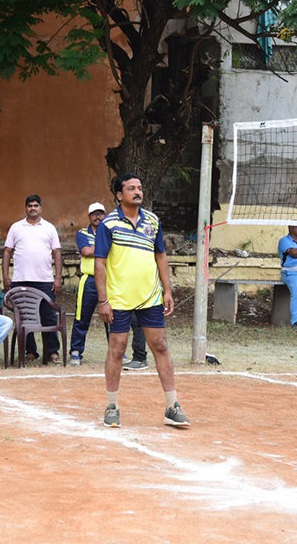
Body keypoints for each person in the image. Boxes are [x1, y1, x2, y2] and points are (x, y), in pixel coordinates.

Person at [95, 173, 190, 429]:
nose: (138, 192)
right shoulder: (109, 224)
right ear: (119, 194)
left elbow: (161, 256)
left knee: (159, 345)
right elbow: (100, 262)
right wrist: (103, 300)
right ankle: (112, 406)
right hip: (119, 298)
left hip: (150, 296)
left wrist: (167, 290)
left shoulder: (153, 221)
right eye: (131, 188)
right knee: (117, 348)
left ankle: (172, 406)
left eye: (140, 188)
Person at [71, 202, 149, 369]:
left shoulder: (111, 231)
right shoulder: (82, 233)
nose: (97, 217)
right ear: (89, 216)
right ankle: (76, 351)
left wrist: (98, 249)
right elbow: (86, 251)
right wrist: (105, 248)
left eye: (100, 214)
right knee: (82, 317)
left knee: (113, 318)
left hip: (110, 280)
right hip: (89, 280)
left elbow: (112, 251)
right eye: (94, 214)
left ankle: (117, 351)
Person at [2, 194, 63, 364]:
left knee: (48, 316)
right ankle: (30, 352)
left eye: (36, 205)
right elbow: (7, 251)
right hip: (21, 280)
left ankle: (52, 352)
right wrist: (6, 276)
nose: (33, 208)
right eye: (30, 206)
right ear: (26, 208)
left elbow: (57, 253)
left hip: (45, 281)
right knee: (24, 316)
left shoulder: (49, 228)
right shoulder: (16, 227)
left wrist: (57, 278)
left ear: (41, 208)